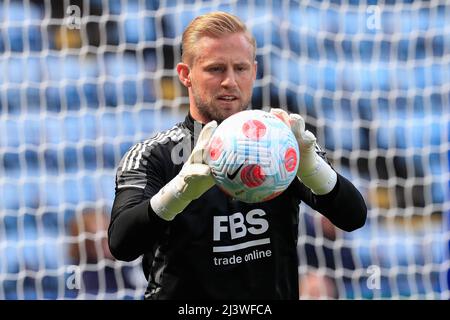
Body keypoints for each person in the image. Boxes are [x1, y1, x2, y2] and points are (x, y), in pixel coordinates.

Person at [108, 11, 367, 300]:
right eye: (216, 69)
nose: (230, 81)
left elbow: (353, 216)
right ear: (185, 74)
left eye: (240, 69)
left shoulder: (281, 143)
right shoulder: (154, 154)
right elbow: (122, 243)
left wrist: (313, 169)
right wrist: (178, 193)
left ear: (254, 72)